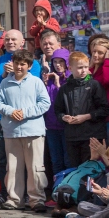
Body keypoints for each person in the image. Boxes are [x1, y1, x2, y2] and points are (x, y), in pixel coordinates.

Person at [0, 49, 51, 212]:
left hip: (33, 130)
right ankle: (14, 198)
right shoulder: (5, 83)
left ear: (29, 66)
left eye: (23, 64)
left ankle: (36, 199)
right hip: (11, 131)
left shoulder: (36, 82)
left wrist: (25, 112)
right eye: (17, 63)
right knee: (13, 167)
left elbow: (45, 103)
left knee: (35, 167)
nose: (19, 67)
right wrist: (11, 111)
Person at [0, 31, 42, 188]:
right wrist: (3, 75)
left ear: (22, 42)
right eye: (7, 39)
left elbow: (33, 87)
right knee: (3, 158)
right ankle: (5, 192)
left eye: (13, 39)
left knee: (30, 161)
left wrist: (16, 72)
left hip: (27, 120)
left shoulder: (33, 63)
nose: (10, 42)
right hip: (0, 118)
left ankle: (31, 195)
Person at [55, 51, 109, 168]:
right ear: (70, 68)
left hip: (92, 135)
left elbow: (105, 109)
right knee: (76, 169)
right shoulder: (64, 89)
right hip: (72, 136)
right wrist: (64, 117)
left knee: (91, 168)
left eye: (86, 67)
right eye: (80, 68)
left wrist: (86, 116)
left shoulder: (95, 85)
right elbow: (58, 110)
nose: (84, 70)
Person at [43, 48, 70, 179]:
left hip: (66, 125)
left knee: (68, 159)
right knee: (56, 161)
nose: (58, 65)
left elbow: (67, 101)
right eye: (55, 62)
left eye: (61, 61)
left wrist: (59, 84)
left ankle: (68, 190)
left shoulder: (70, 78)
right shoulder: (48, 79)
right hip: (51, 125)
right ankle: (57, 189)